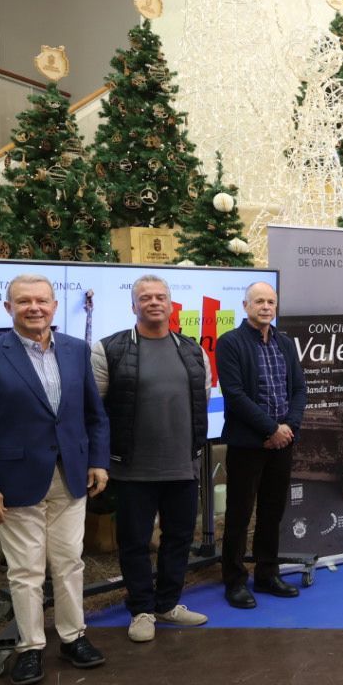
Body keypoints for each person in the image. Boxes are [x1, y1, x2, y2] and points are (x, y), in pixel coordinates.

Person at [0, 273, 109, 685]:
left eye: (41, 300)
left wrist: (98, 460)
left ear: (55, 306)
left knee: (70, 563)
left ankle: (74, 638)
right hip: (15, 483)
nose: (34, 308)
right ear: (9, 308)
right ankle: (31, 647)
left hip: (71, 478)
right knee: (25, 570)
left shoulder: (76, 351)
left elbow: (94, 415)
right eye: (24, 302)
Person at [92, 274, 212, 644]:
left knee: (178, 538)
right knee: (134, 542)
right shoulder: (108, 349)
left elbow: (201, 400)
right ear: (133, 306)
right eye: (145, 297)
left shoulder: (193, 350)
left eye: (161, 296)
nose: (154, 302)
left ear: (171, 304)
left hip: (182, 465)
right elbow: (95, 408)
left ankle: (168, 604)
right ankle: (141, 609)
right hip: (132, 469)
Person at [217, 281, 307, 610]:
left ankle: (267, 573)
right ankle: (235, 580)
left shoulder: (285, 343)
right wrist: (270, 429)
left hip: (283, 441)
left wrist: (288, 427)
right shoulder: (230, 343)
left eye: (270, 301)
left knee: (273, 511)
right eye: (259, 301)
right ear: (245, 306)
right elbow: (235, 395)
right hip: (247, 443)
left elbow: (299, 389)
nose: (266, 307)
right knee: (239, 514)